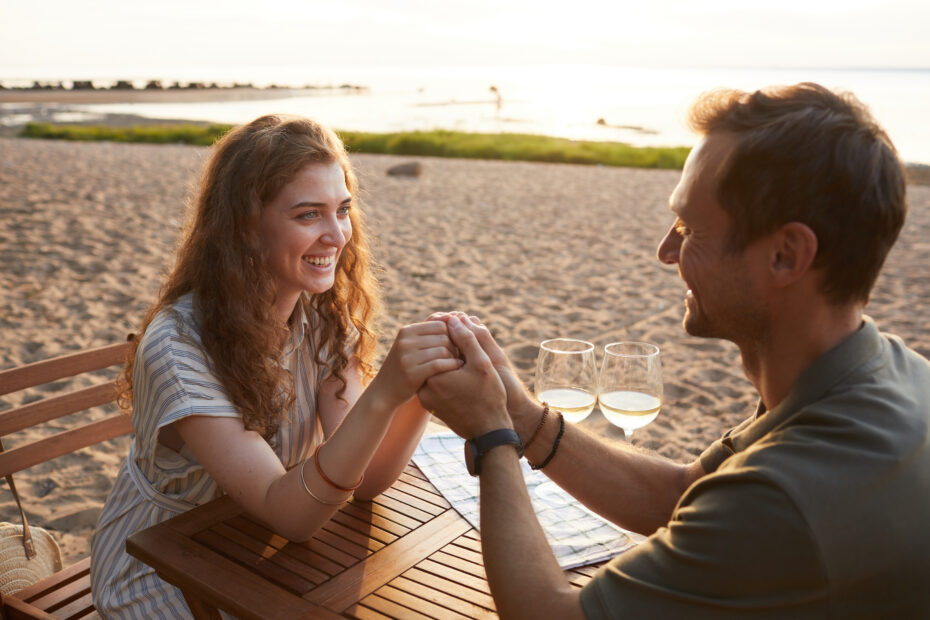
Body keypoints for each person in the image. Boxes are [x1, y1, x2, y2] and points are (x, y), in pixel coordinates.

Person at [419, 83, 930, 618]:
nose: (666, 252)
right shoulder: (884, 370)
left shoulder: (785, 494)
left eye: (689, 227)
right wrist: (522, 415)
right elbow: (685, 495)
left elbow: (545, 613)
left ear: (786, 255)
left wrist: (492, 436)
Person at [90, 115, 461, 618]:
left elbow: (368, 477)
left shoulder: (322, 315)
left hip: (254, 551)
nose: (337, 235)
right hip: (162, 567)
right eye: (309, 215)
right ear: (244, 227)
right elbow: (290, 514)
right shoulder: (179, 347)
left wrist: (417, 391)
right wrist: (385, 391)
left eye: (342, 210)